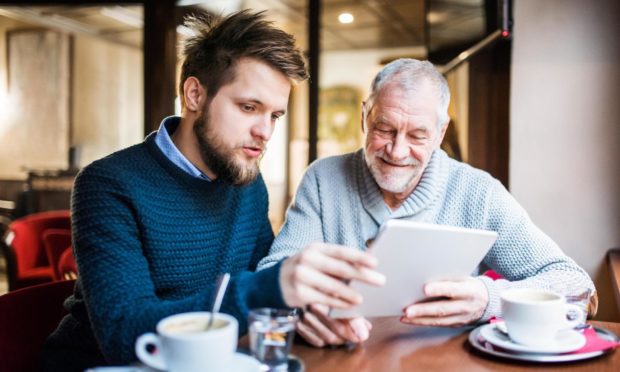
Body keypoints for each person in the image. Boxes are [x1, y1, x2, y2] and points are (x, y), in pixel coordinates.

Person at [41, 11, 384, 371]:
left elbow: (265, 292)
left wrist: (311, 313)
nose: (265, 132)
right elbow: (126, 336)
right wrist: (271, 288)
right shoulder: (108, 184)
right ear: (194, 95)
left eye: (275, 116)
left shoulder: (248, 183)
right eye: (249, 107)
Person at [258, 58, 596, 347]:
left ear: (440, 131)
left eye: (417, 135)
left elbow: (576, 284)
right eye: (384, 129)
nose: (397, 151)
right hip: (345, 357)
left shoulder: (478, 192)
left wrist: (487, 299)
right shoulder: (323, 179)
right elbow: (273, 273)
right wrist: (303, 309)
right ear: (364, 117)